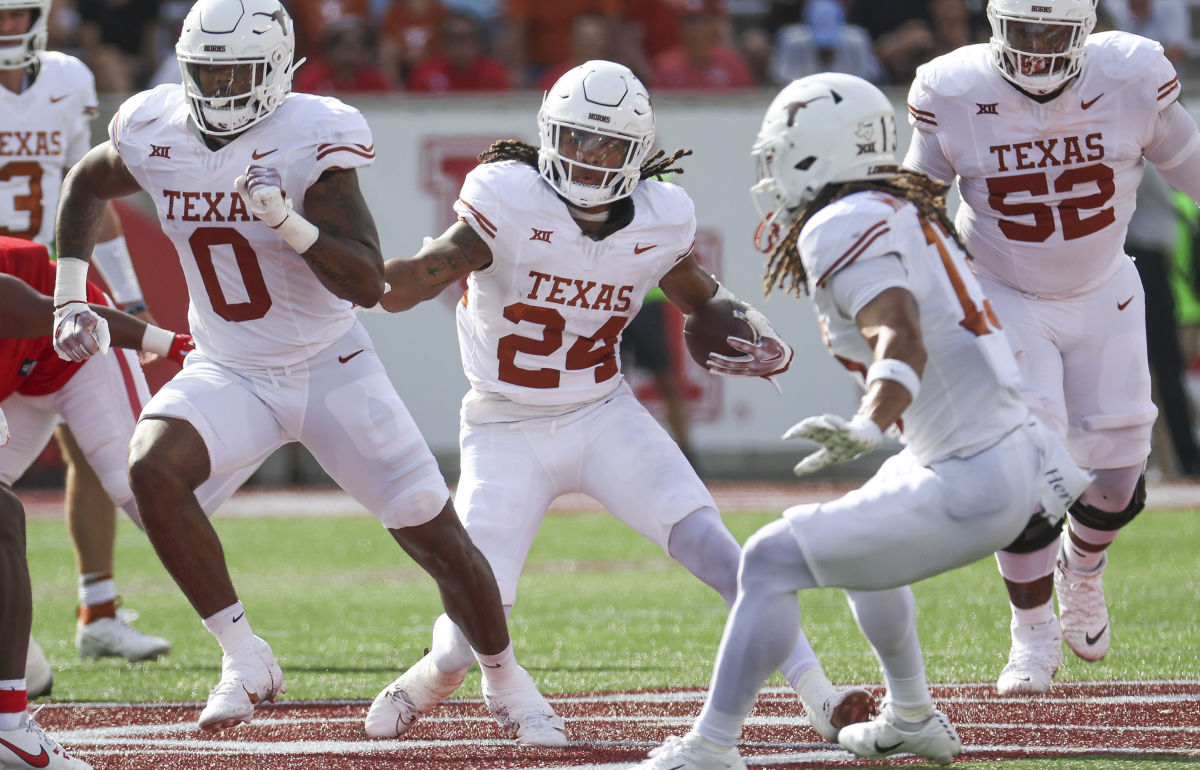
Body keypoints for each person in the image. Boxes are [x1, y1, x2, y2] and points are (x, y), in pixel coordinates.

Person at [49, 0, 557, 739]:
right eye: (206, 72)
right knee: (151, 469)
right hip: (230, 366)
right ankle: (243, 657)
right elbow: (85, 184)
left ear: (275, 72)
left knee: (437, 539)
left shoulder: (311, 134)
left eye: (236, 73)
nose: (219, 89)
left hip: (329, 364)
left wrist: (288, 220)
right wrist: (70, 295)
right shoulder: (156, 127)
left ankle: (506, 679)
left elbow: (367, 285)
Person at [364, 59, 874, 747]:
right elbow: (417, 281)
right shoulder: (509, 198)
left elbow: (701, 296)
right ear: (548, 136)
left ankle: (819, 693)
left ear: (637, 153)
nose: (588, 156)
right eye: (574, 139)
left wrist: (752, 330)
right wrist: (344, 265)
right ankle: (432, 675)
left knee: (724, 555)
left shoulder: (662, 216)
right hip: (504, 424)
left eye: (605, 145)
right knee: (469, 628)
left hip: (603, 413)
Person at [634, 72, 1092, 770]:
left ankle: (712, 745)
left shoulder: (842, 221)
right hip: (994, 453)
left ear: (820, 153)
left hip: (971, 470)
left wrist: (871, 422)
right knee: (861, 554)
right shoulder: (892, 208)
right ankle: (911, 716)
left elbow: (899, 335)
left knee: (767, 558)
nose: (772, 171)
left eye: (782, 152)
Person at [904, 0, 1200, 694]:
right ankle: (1031, 635)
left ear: (1086, 31)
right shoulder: (954, 89)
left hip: (1103, 288)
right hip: (1002, 291)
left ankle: (1084, 569)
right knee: (1024, 466)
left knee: (1121, 471)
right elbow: (916, 200)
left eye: (1052, 33)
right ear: (995, 26)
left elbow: (1192, 168)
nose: (1035, 49)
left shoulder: (1131, 77)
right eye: (1021, 31)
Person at [0, 0, 171, 693]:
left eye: (19, 16)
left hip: (59, 279)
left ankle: (97, 608)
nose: (10, 29)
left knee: (101, 449)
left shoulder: (67, 79)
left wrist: (126, 293)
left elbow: (88, 197)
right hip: (2, 288)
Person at [0, 234, 195, 770]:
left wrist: (173, 342)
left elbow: (70, 314)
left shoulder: (8, 292)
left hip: (63, 352)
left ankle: (9, 719)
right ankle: (11, 716)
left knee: (7, 514)